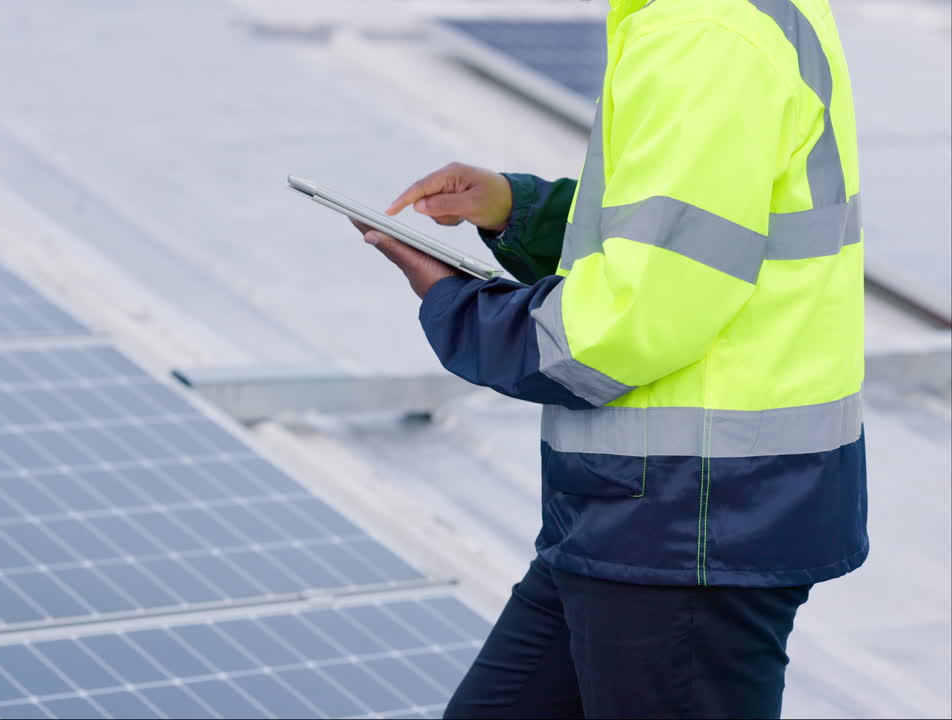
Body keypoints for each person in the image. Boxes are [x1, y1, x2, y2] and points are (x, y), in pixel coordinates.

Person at [354, 0, 868, 717]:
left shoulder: (702, 35)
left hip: (687, 524)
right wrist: (518, 210)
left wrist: (452, 302)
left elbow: (628, 319)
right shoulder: (729, 16)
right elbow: (686, 233)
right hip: (643, 511)